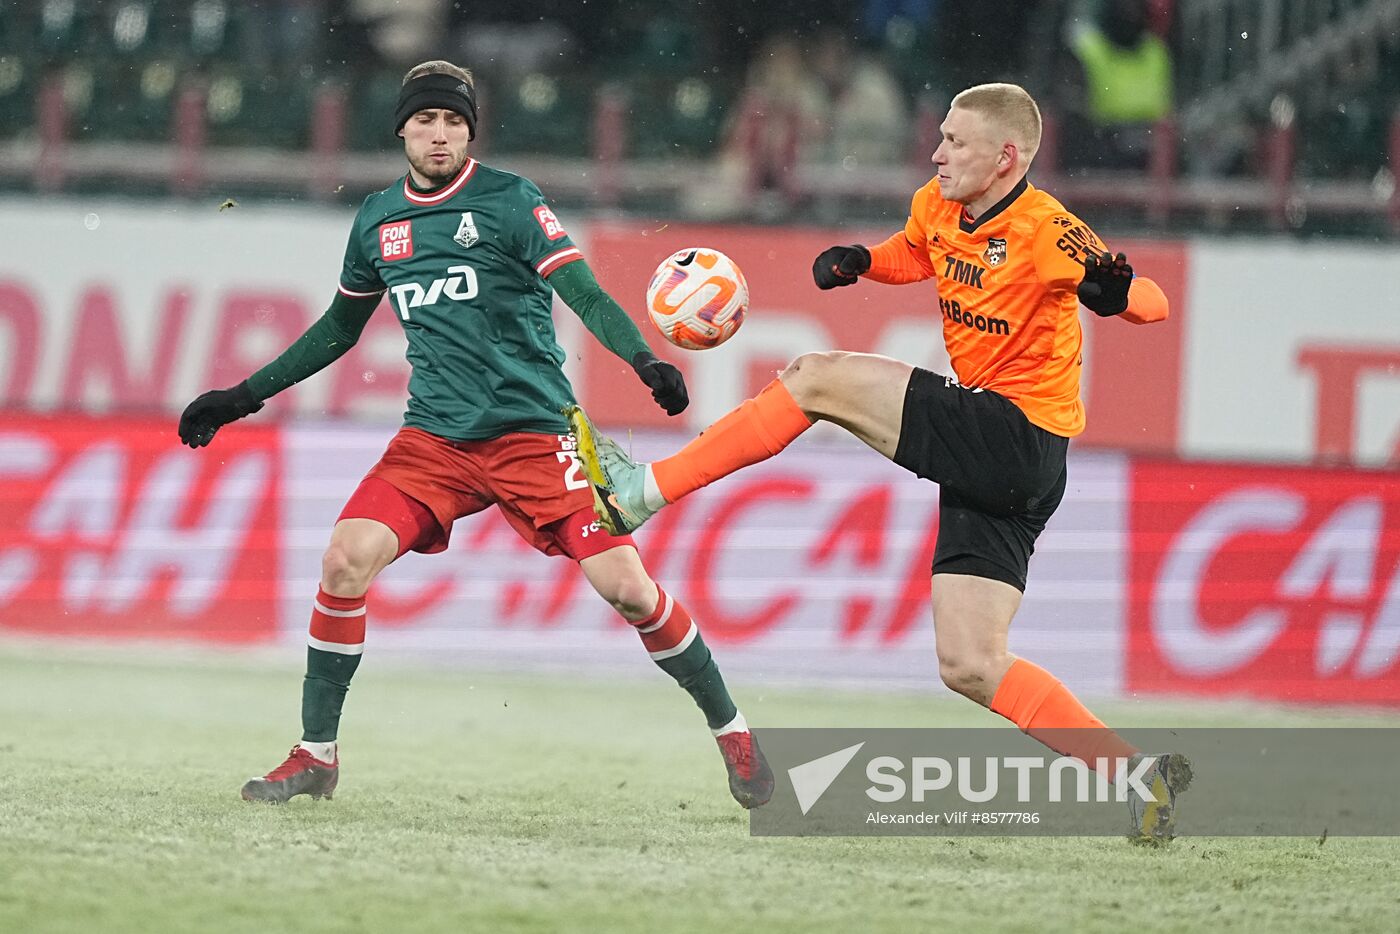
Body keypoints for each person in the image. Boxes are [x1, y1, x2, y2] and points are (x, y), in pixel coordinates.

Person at [569, 82, 1190, 843]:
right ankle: (1140, 778)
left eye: (956, 141)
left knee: (818, 377)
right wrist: (863, 260)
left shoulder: (1046, 229)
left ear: (1007, 156)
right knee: (970, 663)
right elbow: (918, 254)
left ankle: (641, 493)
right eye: (941, 137)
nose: (937, 151)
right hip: (1010, 465)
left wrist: (1114, 289)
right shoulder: (938, 202)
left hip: (1016, 432)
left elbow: (1152, 303)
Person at [177, 60, 773, 809]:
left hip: (535, 436)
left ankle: (733, 731)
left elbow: (581, 290)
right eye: (426, 120)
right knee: (344, 560)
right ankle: (315, 755)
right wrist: (242, 396)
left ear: (470, 132)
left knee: (626, 589)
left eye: (454, 122)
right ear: (401, 128)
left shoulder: (510, 202)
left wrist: (644, 359)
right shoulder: (378, 222)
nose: (439, 134)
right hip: (435, 441)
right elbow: (337, 330)